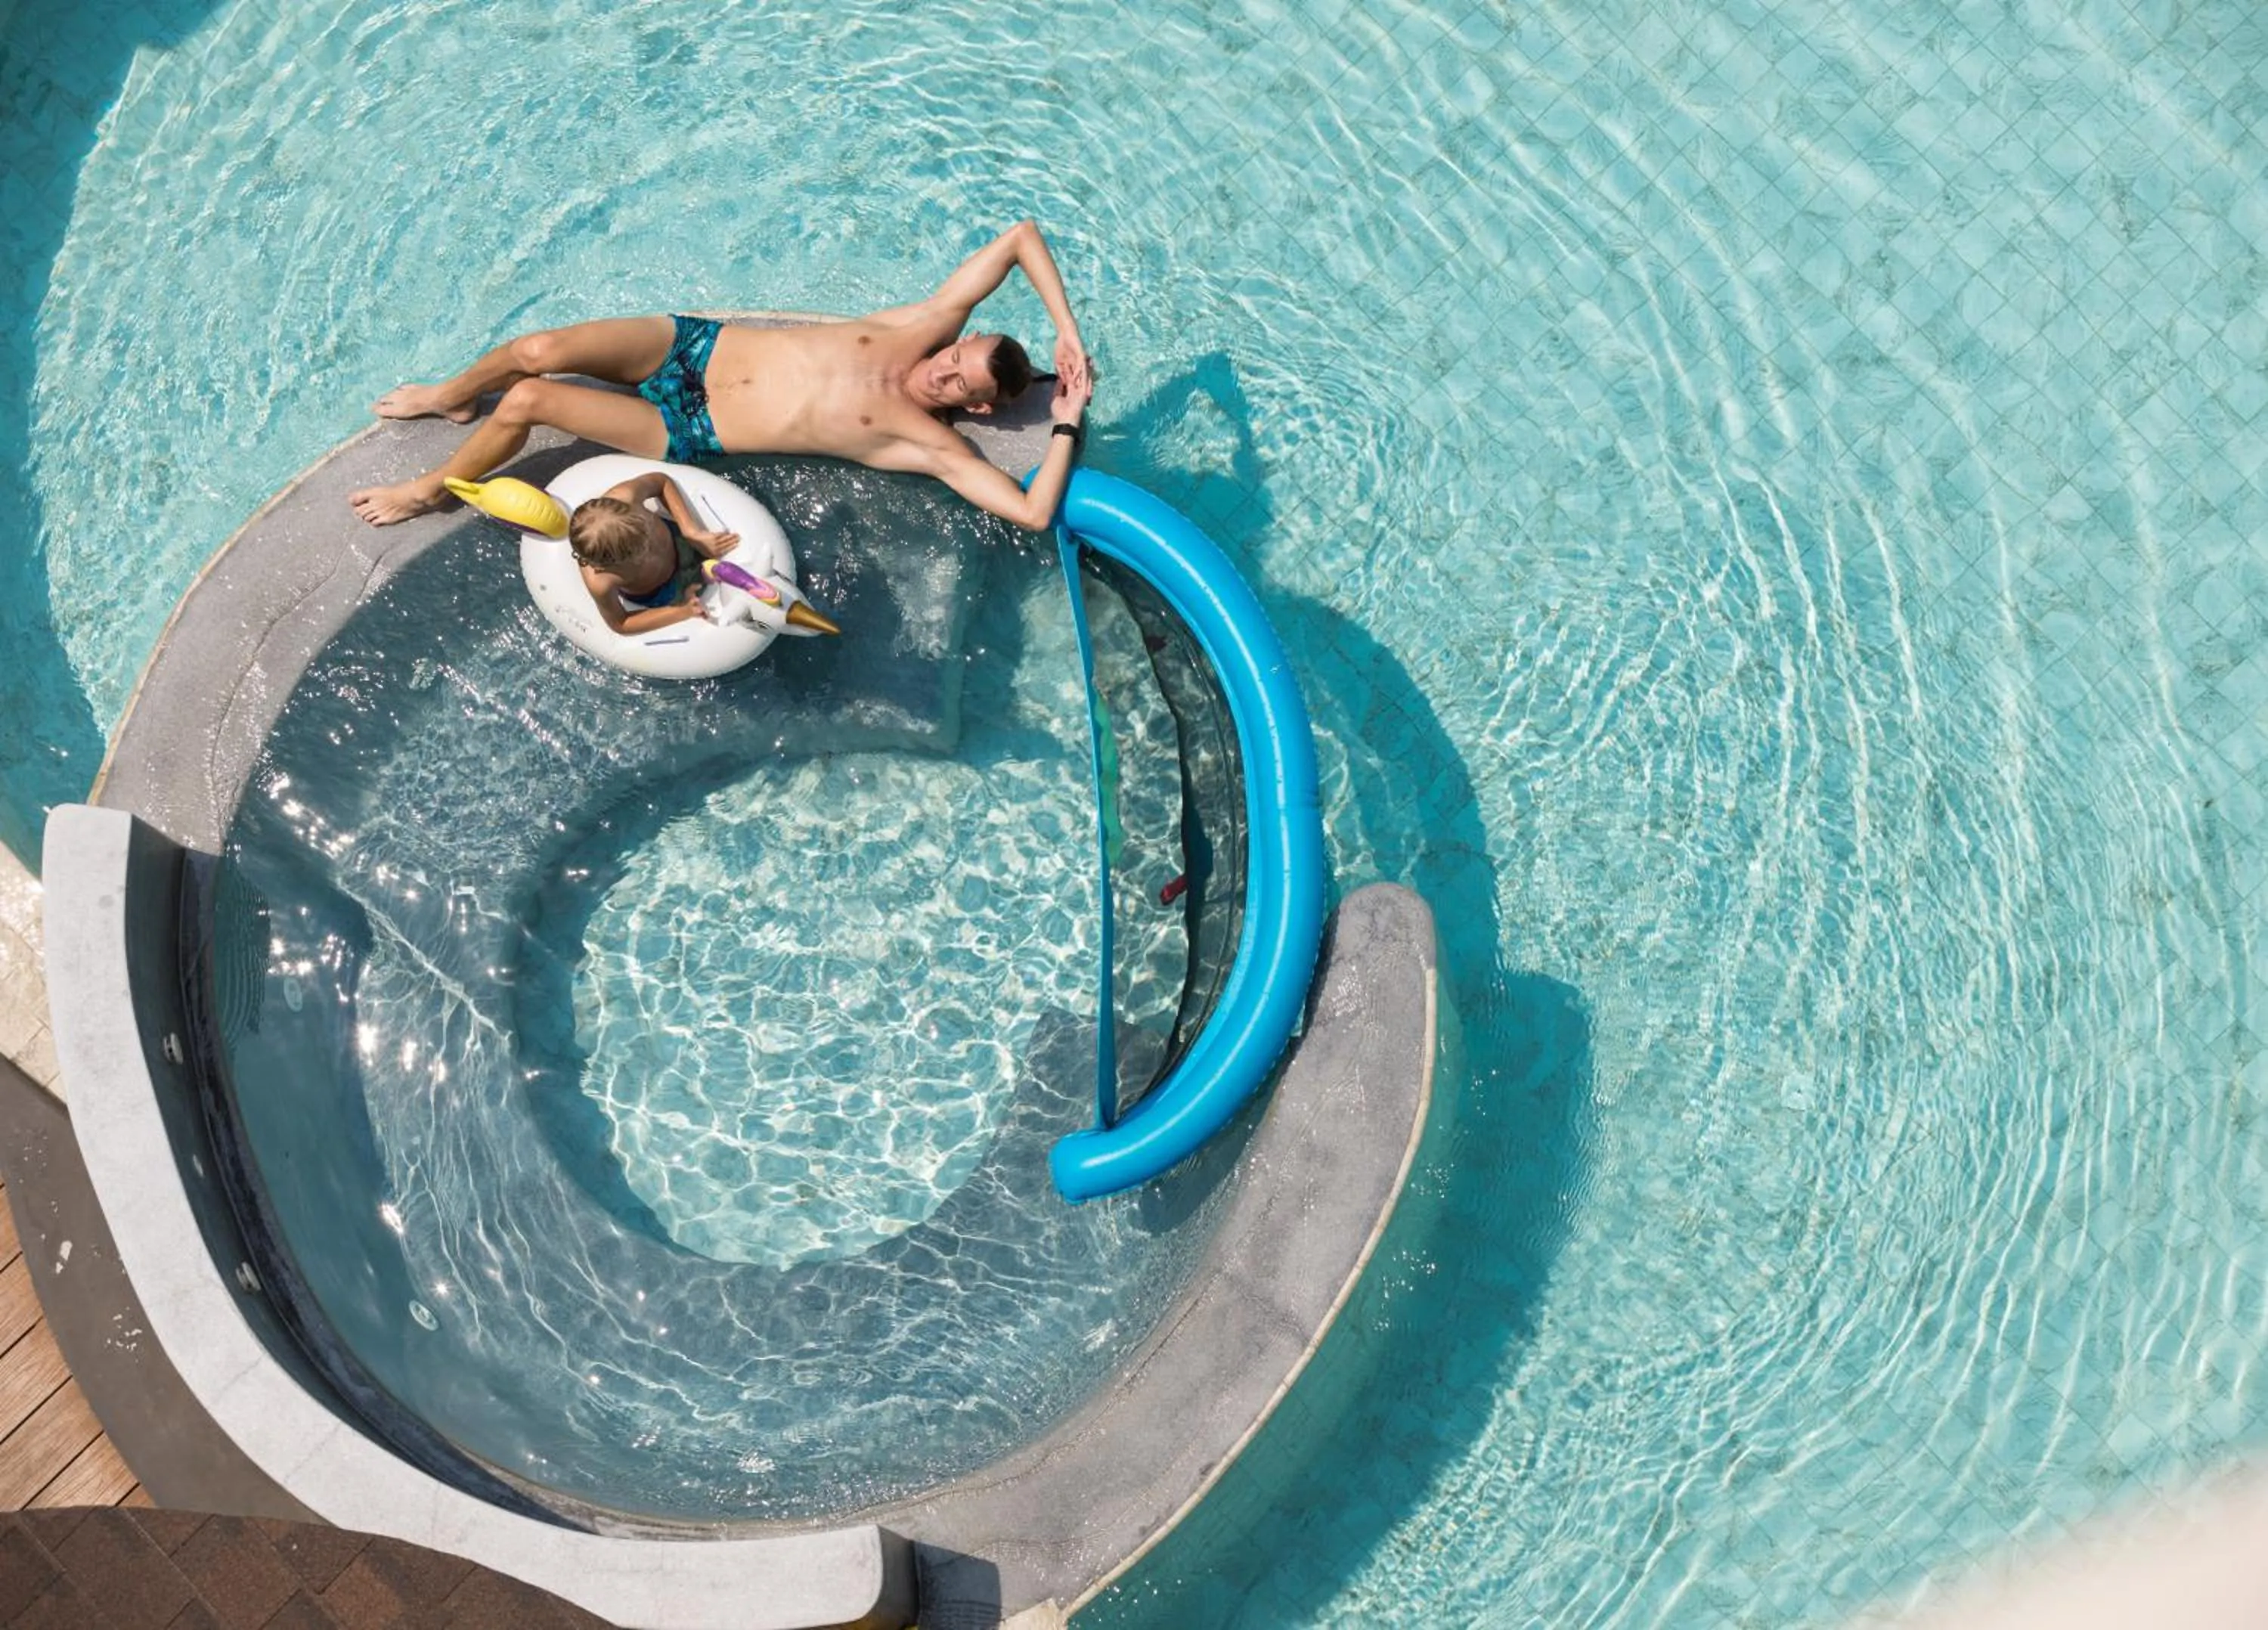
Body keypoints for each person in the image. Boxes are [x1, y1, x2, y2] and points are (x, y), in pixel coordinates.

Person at [349, 219, 1094, 533]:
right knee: (538, 349)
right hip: (696, 350)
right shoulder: (921, 326)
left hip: (689, 428)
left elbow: (1029, 514)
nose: (943, 374)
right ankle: (451, 397)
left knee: (530, 398)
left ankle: (430, 491)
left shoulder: (929, 445)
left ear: (983, 411)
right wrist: (1066, 330)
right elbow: (1021, 237)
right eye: (954, 357)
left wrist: (1065, 419)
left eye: (961, 387)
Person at [566, 470, 739, 635]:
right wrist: (681, 612)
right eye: (638, 554)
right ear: (603, 565)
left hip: (679, 542)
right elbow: (620, 623)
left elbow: (661, 482)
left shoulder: (626, 495)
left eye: (646, 530)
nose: (648, 549)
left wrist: (690, 531)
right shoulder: (601, 581)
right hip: (664, 592)